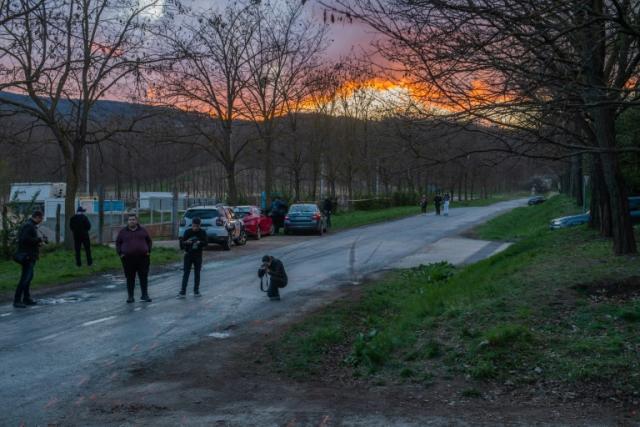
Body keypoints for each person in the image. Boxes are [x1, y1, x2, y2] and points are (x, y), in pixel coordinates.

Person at [116, 214, 153, 303]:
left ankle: (144, 295)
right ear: (127, 221)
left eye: (133, 219)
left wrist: (148, 251)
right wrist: (120, 254)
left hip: (143, 258)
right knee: (130, 278)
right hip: (128, 259)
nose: (132, 221)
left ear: (137, 221)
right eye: (130, 220)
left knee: (143, 277)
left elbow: (149, 241)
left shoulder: (143, 231)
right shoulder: (123, 232)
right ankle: (130, 297)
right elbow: (118, 243)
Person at [13, 211, 46, 308]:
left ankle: (26, 298)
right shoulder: (29, 226)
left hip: (29, 255)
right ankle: (17, 300)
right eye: (41, 218)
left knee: (28, 278)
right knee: (25, 279)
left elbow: (28, 240)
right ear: (37, 217)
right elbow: (24, 239)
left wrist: (37, 243)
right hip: (27, 256)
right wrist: (39, 240)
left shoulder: (30, 225)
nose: (41, 220)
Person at [178, 217, 208, 298]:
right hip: (188, 255)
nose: (195, 228)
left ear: (199, 226)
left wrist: (199, 242)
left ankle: (196, 291)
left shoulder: (202, 232)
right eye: (194, 226)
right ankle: (183, 291)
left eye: (197, 226)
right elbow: (182, 243)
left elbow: (206, 243)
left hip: (198, 255)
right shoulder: (188, 232)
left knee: (197, 273)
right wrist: (187, 242)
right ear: (192, 224)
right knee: (186, 273)